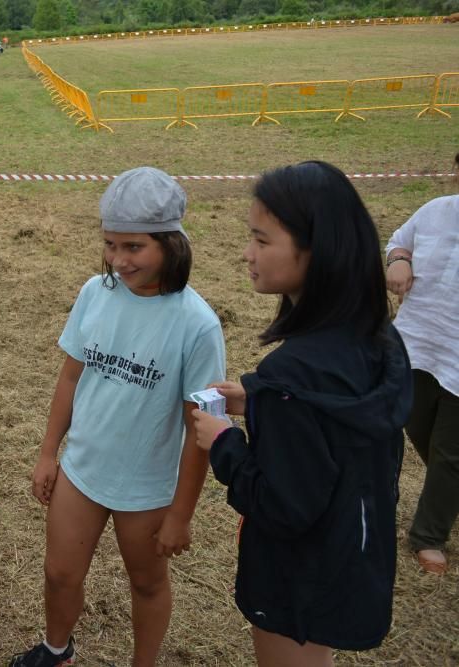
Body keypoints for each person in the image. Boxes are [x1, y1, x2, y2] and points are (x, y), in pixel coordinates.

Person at [192, 161, 412, 665]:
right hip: (345, 554)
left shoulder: (294, 373)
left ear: (317, 251)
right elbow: (334, 427)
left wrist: (224, 441)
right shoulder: (374, 336)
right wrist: (263, 403)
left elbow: (281, 505)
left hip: (295, 577)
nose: (247, 255)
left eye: (262, 241)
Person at [10, 167, 226, 667]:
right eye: (111, 245)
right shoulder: (94, 293)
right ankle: (55, 650)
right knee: (60, 572)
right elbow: (69, 378)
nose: (118, 260)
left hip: (148, 488)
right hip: (83, 471)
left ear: (171, 244)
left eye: (134, 247)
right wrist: (47, 453)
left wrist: (181, 514)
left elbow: (204, 430)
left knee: (147, 583)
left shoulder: (198, 325)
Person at [385, 152, 459, 575]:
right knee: (416, 425)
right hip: (417, 343)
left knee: (450, 451)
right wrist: (399, 259)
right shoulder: (435, 211)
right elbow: (399, 239)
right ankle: (449, 492)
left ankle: (429, 534)